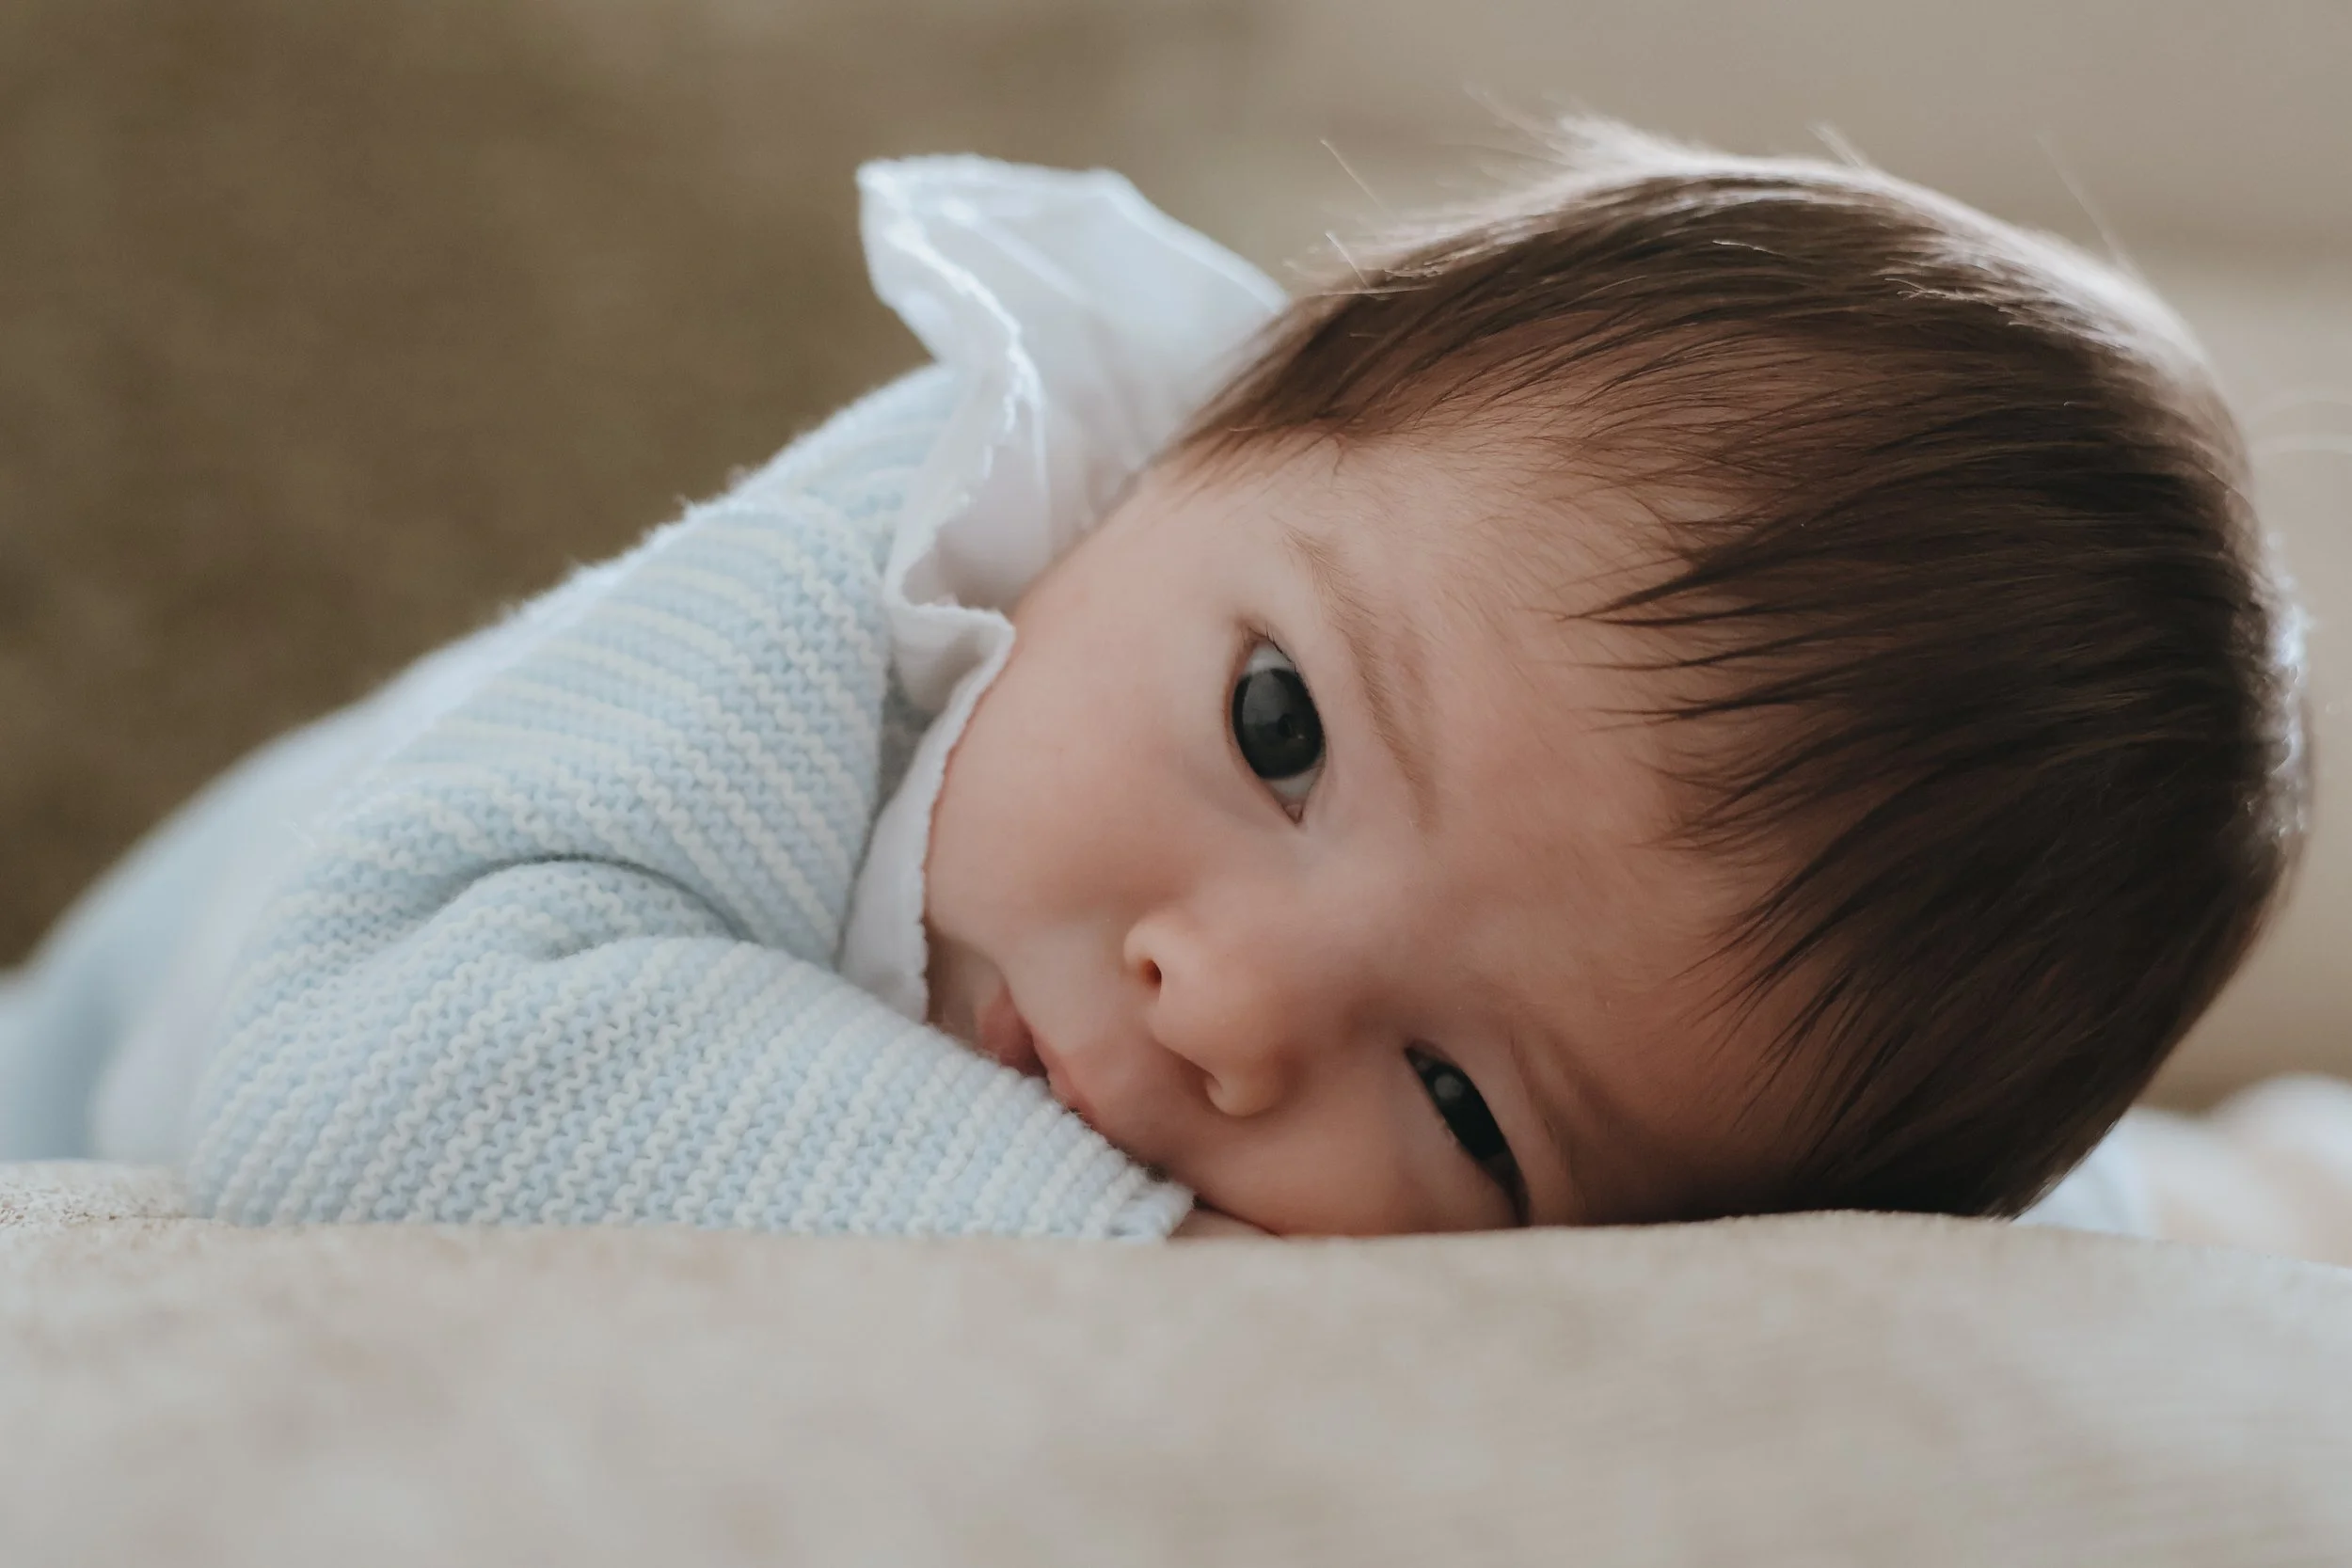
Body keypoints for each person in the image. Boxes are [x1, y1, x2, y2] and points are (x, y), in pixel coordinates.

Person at [0, 121, 2308, 1241]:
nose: (1219, 1003)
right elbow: (357, 1088)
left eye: (1470, 1112)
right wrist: (1169, 1252)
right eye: (1278, 731)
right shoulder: (916, 539)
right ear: (1202, 433)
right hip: (108, 1052)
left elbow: (1969, 1249)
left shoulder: (1725, 1100)